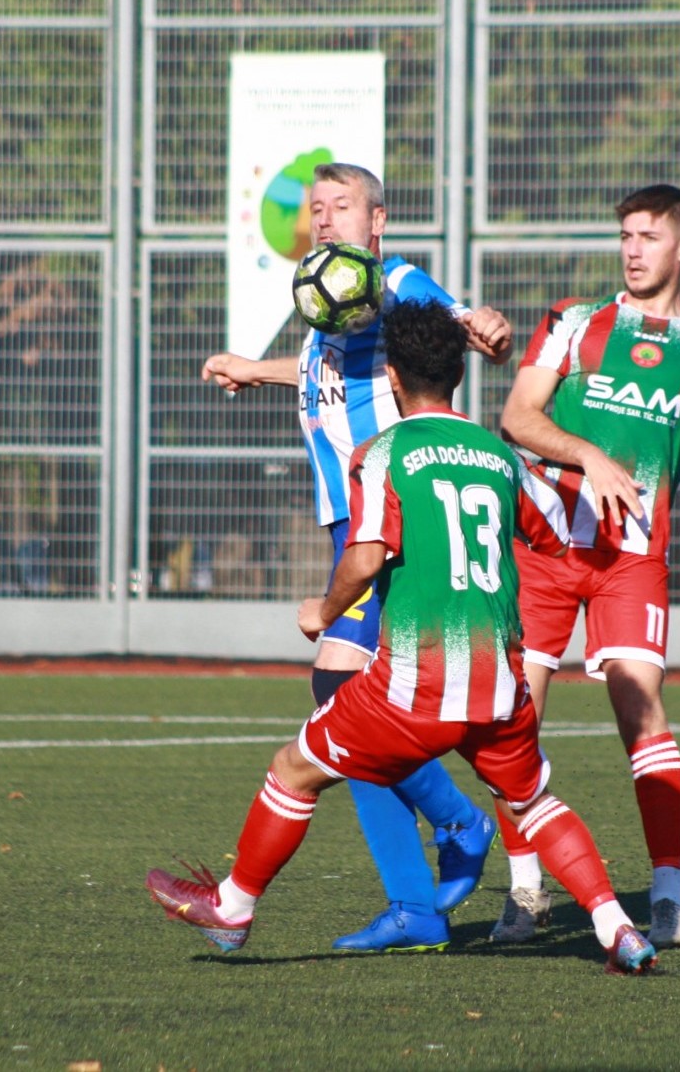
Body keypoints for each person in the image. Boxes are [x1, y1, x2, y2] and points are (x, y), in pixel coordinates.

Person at [147, 298, 658, 976]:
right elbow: (555, 537)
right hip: (498, 684)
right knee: (534, 801)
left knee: (292, 771)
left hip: (411, 687)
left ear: (391, 377)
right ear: (457, 375)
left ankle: (234, 906)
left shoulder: (384, 451)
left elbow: (363, 555)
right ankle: (617, 926)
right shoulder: (499, 456)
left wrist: (322, 612)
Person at [199, 162, 511, 953]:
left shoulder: (394, 280)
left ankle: (450, 841)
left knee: (341, 701)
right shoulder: (333, 295)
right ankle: (427, 884)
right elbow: (325, 376)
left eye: (342, 206)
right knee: (344, 707)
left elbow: (463, 322)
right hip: (353, 521)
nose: (326, 218)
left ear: (378, 220)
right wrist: (256, 369)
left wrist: (489, 323)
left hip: (391, 520)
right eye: (317, 208)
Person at [489, 183, 680, 950]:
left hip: (633, 559)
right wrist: (590, 454)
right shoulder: (576, 323)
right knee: (512, 720)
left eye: (649, 236)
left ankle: (669, 892)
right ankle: (525, 890)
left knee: (641, 709)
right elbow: (517, 417)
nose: (633, 249)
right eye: (626, 235)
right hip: (543, 549)